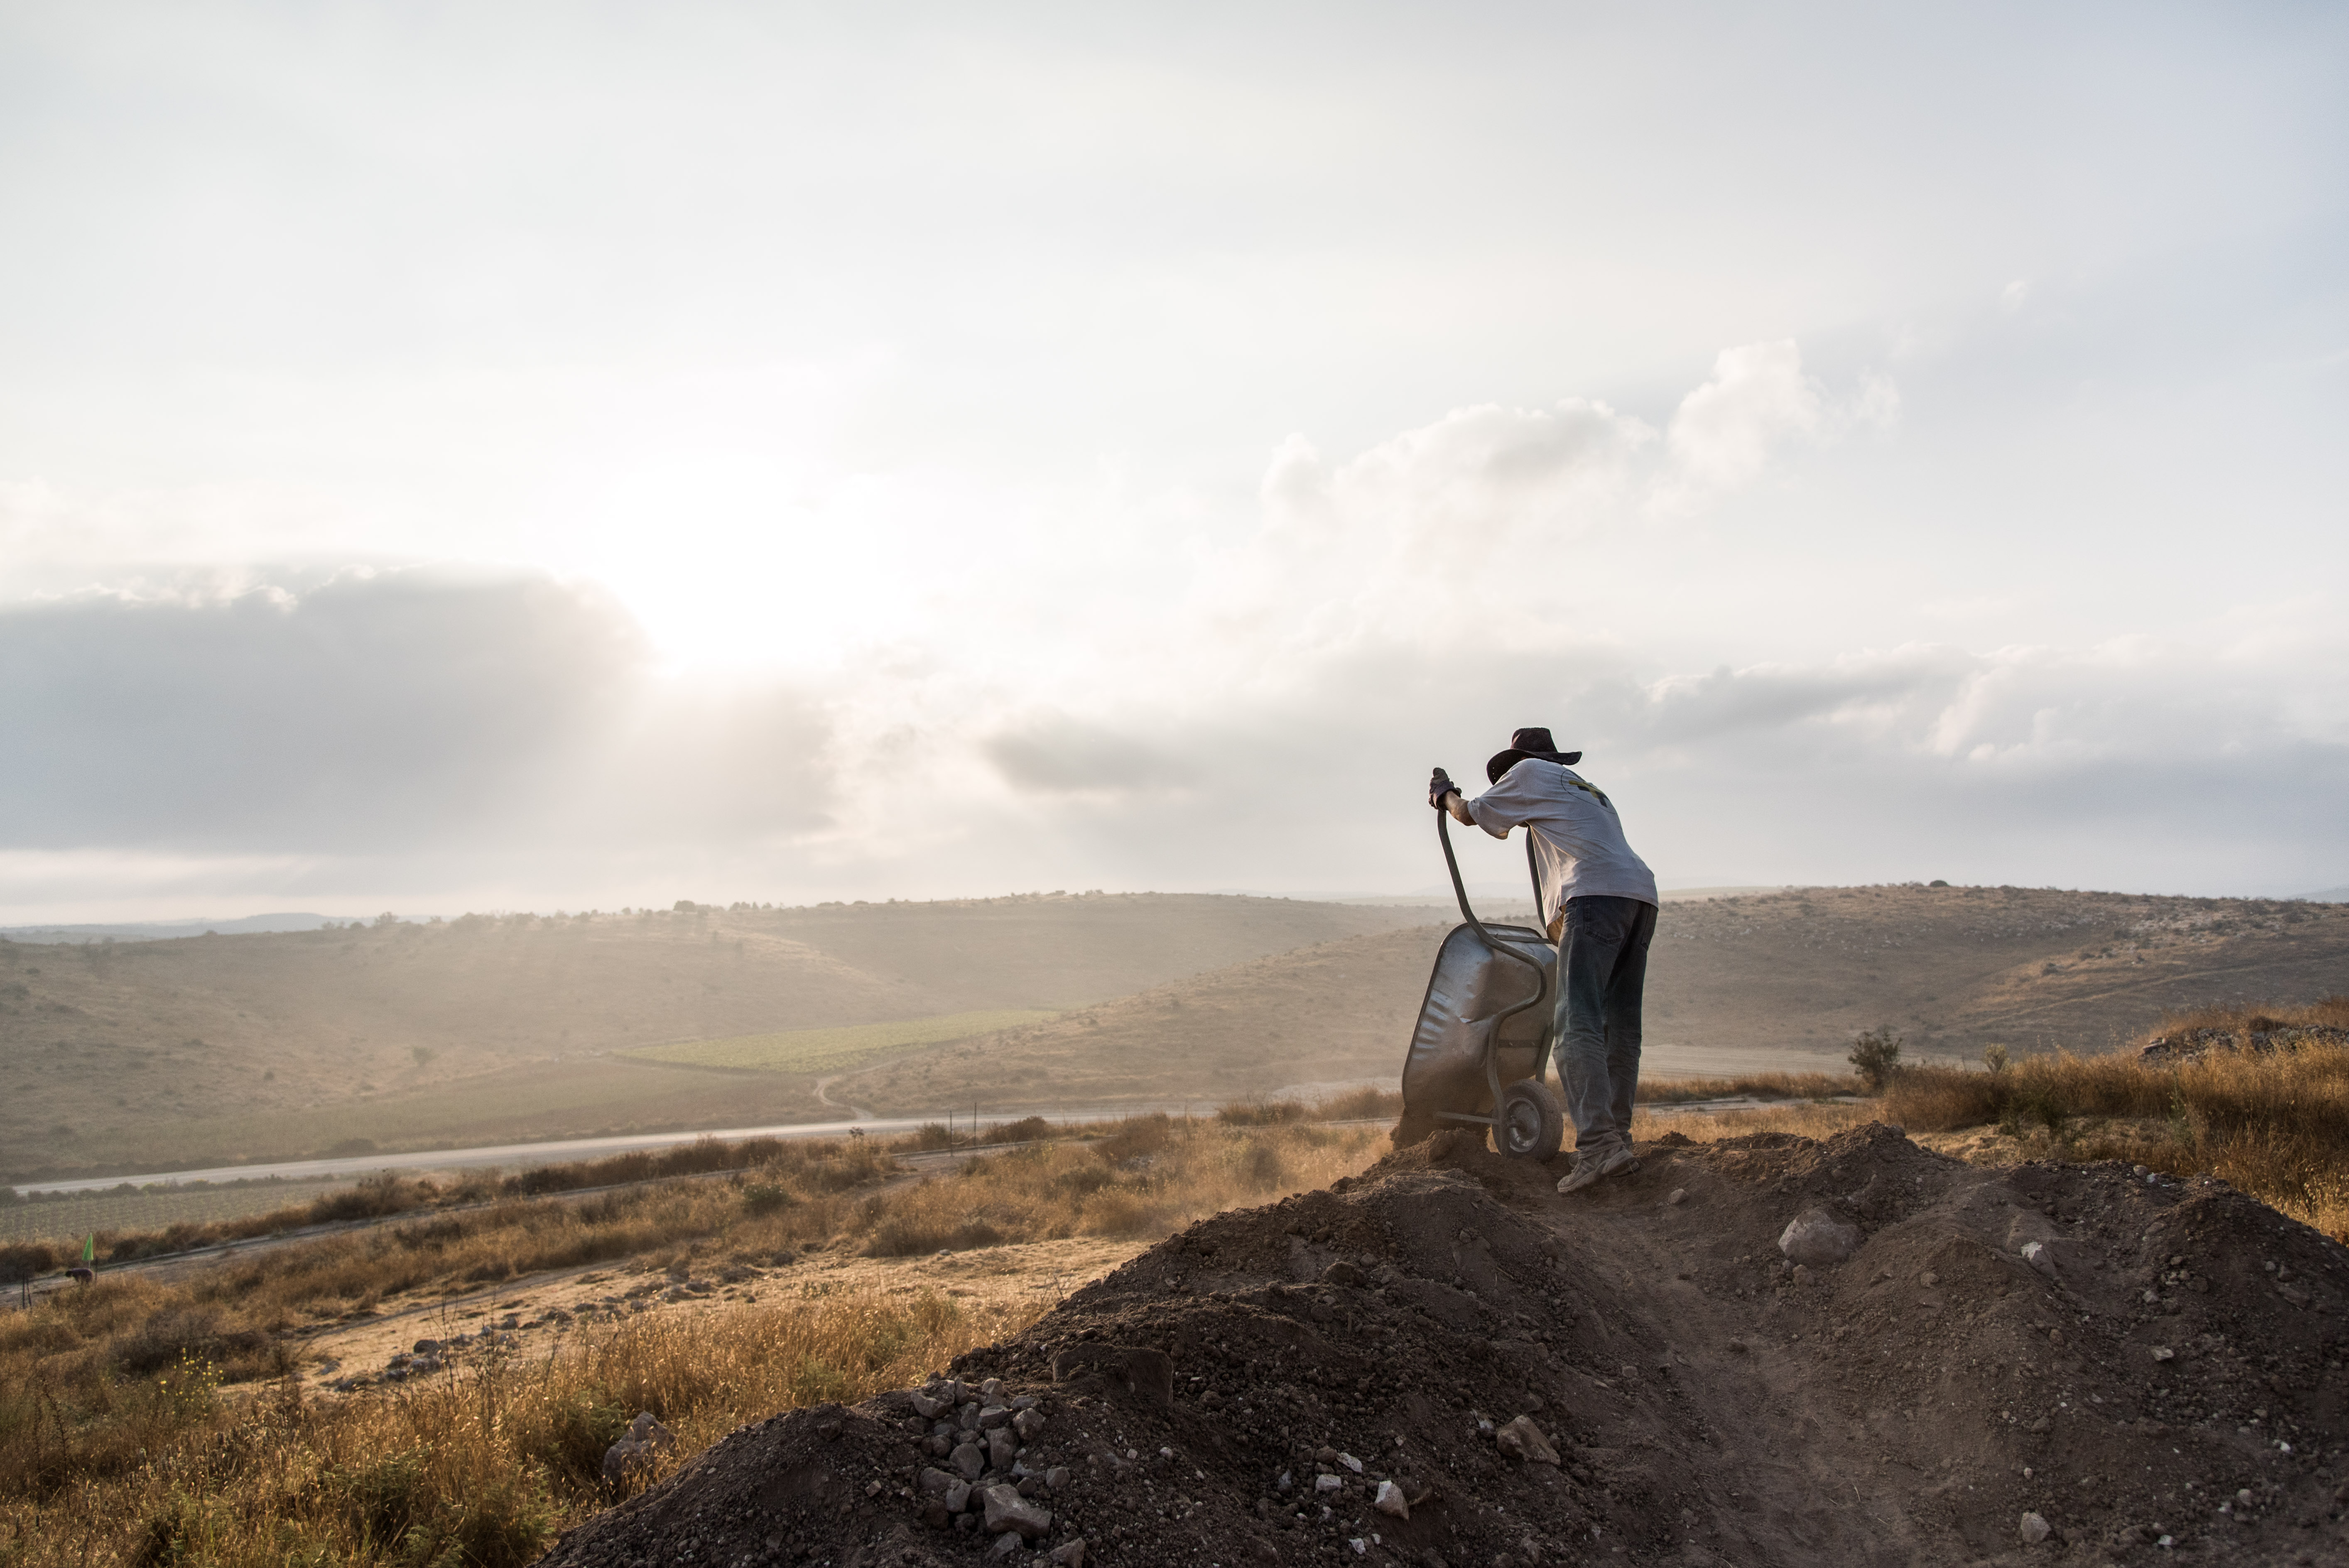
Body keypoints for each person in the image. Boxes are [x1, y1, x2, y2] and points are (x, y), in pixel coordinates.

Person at [1429, 727, 1658, 1194]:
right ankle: (1617, 1139)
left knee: (1575, 1028)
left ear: (1519, 761)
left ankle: (1598, 1147)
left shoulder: (1529, 772)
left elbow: (1470, 814)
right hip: (1639, 897)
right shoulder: (1586, 788)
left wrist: (1444, 795)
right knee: (1619, 1028)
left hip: (1594, 895)